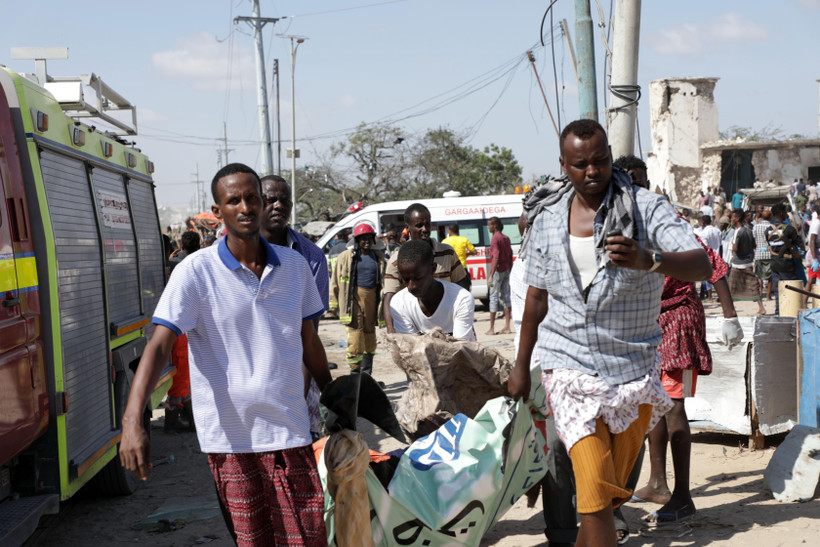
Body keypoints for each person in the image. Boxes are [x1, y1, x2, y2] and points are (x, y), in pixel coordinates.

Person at [509, 119, 711, 547]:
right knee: (596, 494)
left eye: (600, 161)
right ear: (564, 165)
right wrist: (521, 366)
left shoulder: (646, 208)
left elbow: (702, 265)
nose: (593, 172)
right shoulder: (546, 217)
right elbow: (536, 299)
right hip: (569, 369)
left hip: (633, 372)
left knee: (609, 491)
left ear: (609, 159)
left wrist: (648, 259)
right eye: (581, 164)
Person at [119, 163, 331, 546]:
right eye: (234, 200)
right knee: (253, 541)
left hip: (289, 432)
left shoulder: (297, 267)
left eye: (253, 198)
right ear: (218, 212)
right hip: (230, 442)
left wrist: (334, 399)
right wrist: (133, 420)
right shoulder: (194, 273)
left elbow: (309, 341)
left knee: (308, 536)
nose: (246, 207)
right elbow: (159, 344)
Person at [634, 236, 743, 526]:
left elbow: (714, 266)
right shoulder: (628, 227)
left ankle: (683, 497)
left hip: (680, 318)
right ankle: (657, 483)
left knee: (672, 404)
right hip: (649, 322)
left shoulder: (672, 230)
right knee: (652, 401)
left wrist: (730, 316)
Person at [382, 203, 466, 333]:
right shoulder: (397, 260)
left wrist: (464, 321)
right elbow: (389, 298)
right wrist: (391, 330)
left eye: (427, 224)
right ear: (407, 228)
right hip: (415, 330)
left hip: (448, 328)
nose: (425, 229)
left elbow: (460, 288)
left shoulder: (447, 253)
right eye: (419, 226)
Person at [389, 239, 476, 341]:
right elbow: (409, 349)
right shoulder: (399, 303)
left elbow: (460, 350)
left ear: (433, 269)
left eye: (418, 278)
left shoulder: (461, 299)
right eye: (406, 279)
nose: (411, 286)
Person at [330, 221, 384, 374]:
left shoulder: (379, 258)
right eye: (362, 238)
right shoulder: (346, 257)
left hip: (372, 300)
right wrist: (333, 306)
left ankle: (366, 374)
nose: (366, 241)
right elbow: (334, 281)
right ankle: (355, 374)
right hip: (353, 300)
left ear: (373, 240)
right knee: (355, 336)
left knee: (370, 336)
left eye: (369, 238)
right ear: (356, 240)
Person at [164, 230, 201, 433]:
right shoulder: (200, 263)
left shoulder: (174, 264)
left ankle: (181, 412)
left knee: (182, 372)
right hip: (187, 326)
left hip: (177, 327)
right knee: (184, 372)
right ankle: (178, 414)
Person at [766, 202, 804, 315]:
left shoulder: (767, 230)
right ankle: (792, 311)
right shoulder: (789, 229)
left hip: (774, 263)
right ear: (782, 213)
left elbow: (772, 246)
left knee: (778, 290)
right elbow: (801, 245)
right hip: (787, 263)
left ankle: (779, 311)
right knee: (792, 288)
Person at [487, 216, 513, 335]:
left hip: (497, 271)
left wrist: (491, 275)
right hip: (506, 270)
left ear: (495, 226)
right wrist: (510, 270)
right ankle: (507, 327)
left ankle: (491, 329)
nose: (488, 227)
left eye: (490, 225)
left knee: (493, 297)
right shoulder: (506, 238)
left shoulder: (495, 238)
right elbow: (510, 255)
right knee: (506, 296)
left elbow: (496, 257)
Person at [441, 222, 476, 291]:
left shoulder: (445, 241)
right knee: (465, 289)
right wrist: (466, 254)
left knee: (451, 290)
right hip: (462, 268)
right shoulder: (464, 240)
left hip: (450, 270)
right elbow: (474, 252)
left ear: (450, 231)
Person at [753, 209, 774, 301]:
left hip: (758, 254)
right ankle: (768, 296)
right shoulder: (772, 226)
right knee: (770, 276)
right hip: (769, 254)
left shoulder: (756, 227)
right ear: (770, 217)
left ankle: (760, 294)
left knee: (759, 276)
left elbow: (753, 240)